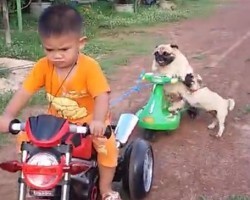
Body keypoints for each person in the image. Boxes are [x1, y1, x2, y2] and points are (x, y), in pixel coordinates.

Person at [0, 4, 121, 200]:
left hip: (88, 123)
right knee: (24, 140)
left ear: (80, 43)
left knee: (107, 147)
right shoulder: (42, 66)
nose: (56, 55)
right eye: (50, 49)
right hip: (56, 123)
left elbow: (101, 95)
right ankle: (37, 177)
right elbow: (25, 91)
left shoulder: (89, 67)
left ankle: (106, 189)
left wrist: (98, 121)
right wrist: (7, 116)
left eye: (64, 49)